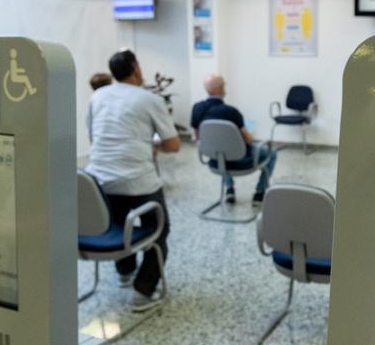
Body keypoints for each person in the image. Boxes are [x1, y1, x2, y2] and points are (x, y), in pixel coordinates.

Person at [85, 50, 180, 312]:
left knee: (117, 223)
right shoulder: (149, 99)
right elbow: (173, 145)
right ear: (136, 68)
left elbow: (96, 139)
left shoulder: (98, 96)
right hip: (139, 181)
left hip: (99, 182)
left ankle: (125, 272)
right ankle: (143, 292)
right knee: (159, 230)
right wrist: (150, 145)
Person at [190, 74, 277, 205]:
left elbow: (198, 137)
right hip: (242, 161)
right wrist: (252, 138)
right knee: (272, 153)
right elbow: (247, 139)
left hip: (214, 160)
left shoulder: (197, 108)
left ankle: (229, 189)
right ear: (221, 88)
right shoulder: (231, 112)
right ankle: (260, 193)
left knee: (222, 150)